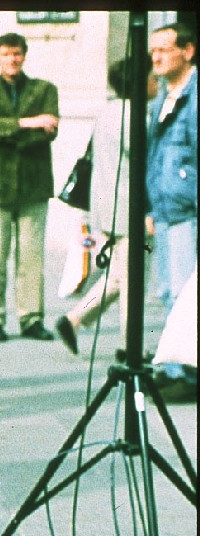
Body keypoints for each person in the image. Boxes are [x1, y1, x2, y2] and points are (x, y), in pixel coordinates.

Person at [54, 60, 156, 356]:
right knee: (134, 283)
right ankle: (130, 347)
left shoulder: (108, 112)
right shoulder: (136, 117)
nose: (156, 82)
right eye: (151, 77)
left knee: (118, 277)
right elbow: (145, 168)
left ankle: (73, 320)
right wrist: (149, 211)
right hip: (132, 211)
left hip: (110, 208)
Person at [0, 32, 60, 343]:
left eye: (17, 53)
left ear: (25, 55)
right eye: (6, 53)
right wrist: (26, 123)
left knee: (31, 258)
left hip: (34, 185)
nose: (12, 59)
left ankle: (31, 318)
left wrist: (2, 127)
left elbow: (49, 132)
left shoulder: (45, 90)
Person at [145, 21, 197, 396]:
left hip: (187, 210)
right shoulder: (165, 94)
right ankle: (174, 364)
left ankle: (186, 373)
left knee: (183, 291)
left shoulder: (194, 97)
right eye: (153, 52)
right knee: (168, 289)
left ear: (188, 51)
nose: (157, 58)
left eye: (164, 49)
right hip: (165, 209)